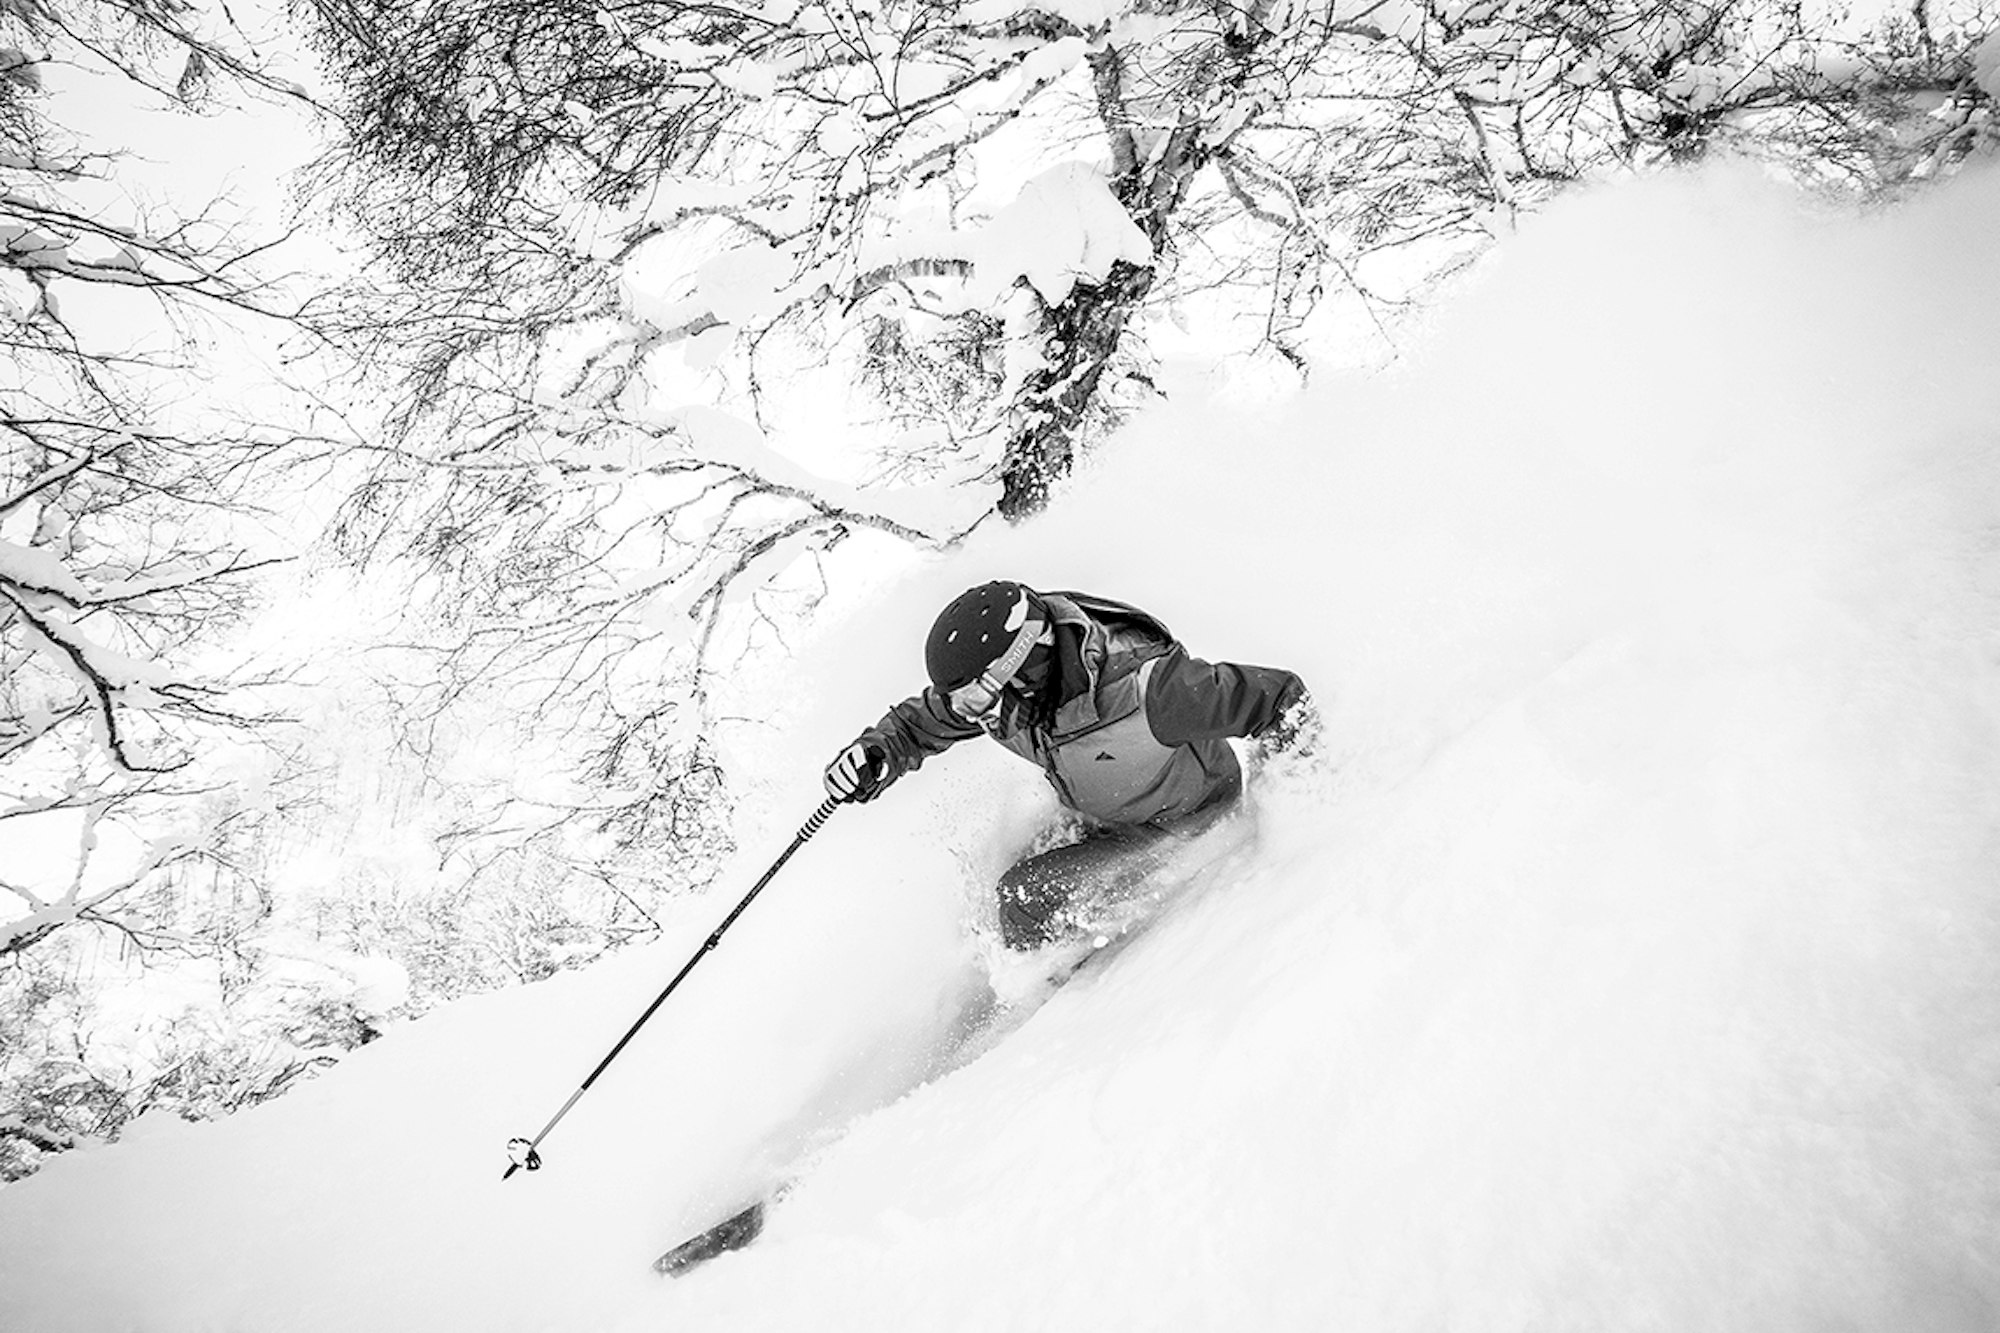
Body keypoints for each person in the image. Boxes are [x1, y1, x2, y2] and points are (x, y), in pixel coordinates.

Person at [823, 581, 1315, 948]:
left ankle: (1064, 1004)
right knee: (986, 903)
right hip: (1102, 814)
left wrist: (1285, 817)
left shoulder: (1148, 690)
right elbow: (917, 725)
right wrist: (876, 754)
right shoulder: (1011, 701)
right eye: (967, 703)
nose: (976, 716)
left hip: (1182, 830)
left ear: (1025, 665)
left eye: (978, 699)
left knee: (1021, 897)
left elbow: (1280, 701)